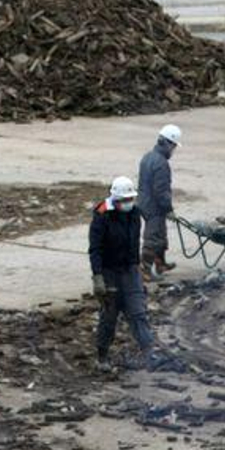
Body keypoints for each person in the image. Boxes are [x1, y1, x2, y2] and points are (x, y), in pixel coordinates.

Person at [89, 176, 154, 371]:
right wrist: (97, 277)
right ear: (115, 199)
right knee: (109, 315)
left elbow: (134, 243)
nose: (128, 204)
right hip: (109, 272)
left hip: (130, 270)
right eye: (124, 201)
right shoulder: (102, 215)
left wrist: (138, 269)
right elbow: (95, 249)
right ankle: (102, 356)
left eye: (130, 199)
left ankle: (149, 351)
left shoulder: (134, 213)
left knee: (138, 311)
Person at [137, 124, 182, 279]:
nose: (173, 150)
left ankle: (160, 263)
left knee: (161, 233)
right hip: (153, 205)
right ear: (168, 144)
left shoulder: (148, 156)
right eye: (174, 146)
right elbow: (161, 191)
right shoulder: (161, 163)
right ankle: (145, 269)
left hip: (144, 201)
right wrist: (168, 209)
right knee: (154, 236)